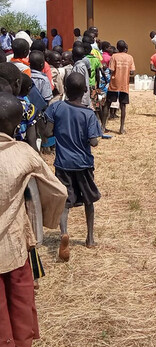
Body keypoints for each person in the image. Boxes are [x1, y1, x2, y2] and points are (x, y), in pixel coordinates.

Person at [0, 92, 67, 347]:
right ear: (16, 126)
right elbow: (56, 190)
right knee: (11, 326)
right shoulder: (23, 154)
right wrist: (46, 225)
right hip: (10, 254)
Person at [44, 72, 102, 259]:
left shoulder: (56, 107)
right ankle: (90, 237)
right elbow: (94, 142)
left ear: (66, 90)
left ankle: (64, 233)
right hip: (83, 164)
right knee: (89, 200)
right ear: (85, 90)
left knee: (65, 202)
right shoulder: (88, 114)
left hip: (63, 163)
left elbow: (47, 132)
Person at [102, 40, 135, 134]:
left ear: (117, 48)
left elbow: (111, 70)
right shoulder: (130, 57)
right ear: (125, 48)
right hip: (124, 84)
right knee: (123, 106)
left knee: (107, 104)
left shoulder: (114, 56)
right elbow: (132, 72)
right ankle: (121, 128)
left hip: (114, 84)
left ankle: (103, 126)